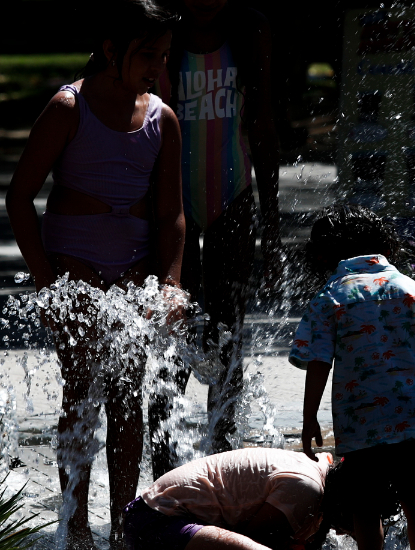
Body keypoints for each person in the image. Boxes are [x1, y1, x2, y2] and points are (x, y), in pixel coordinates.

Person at [5, 0, 187, 550]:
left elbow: (171, 216)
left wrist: (171, 282)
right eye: (146, 54)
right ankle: (76, 527)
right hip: (73, 268)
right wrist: (47, 282)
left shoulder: (162, 119)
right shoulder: (68, 107)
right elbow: (19, 199)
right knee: (81, 390)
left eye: (162, 55)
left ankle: (125, 530)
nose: (156, 66)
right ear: (112, 49)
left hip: (131, 268)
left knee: (128, 399)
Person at [290, 206, 415, 550]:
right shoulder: (413, 288)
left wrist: (310, 416)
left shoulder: (332, 295)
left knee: (366, 507)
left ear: (327, 255)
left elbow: (318, 362)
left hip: (362, 423)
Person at [149, 0, 283, 459]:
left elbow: (262, 124)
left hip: (234, 196)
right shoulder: (161, 33)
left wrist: (274, 230)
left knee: (229, 336)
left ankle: (223, 460)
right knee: (170, 334)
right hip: (170, 204)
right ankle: (164, 469)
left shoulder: (250, 31)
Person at [123, 447, 359, 550]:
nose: (343, 533)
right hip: (154, 524)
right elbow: (253, 548)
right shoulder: (307, 489)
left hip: (158, 520)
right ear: (348, 500)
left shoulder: (322, 469)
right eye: (358, 521)